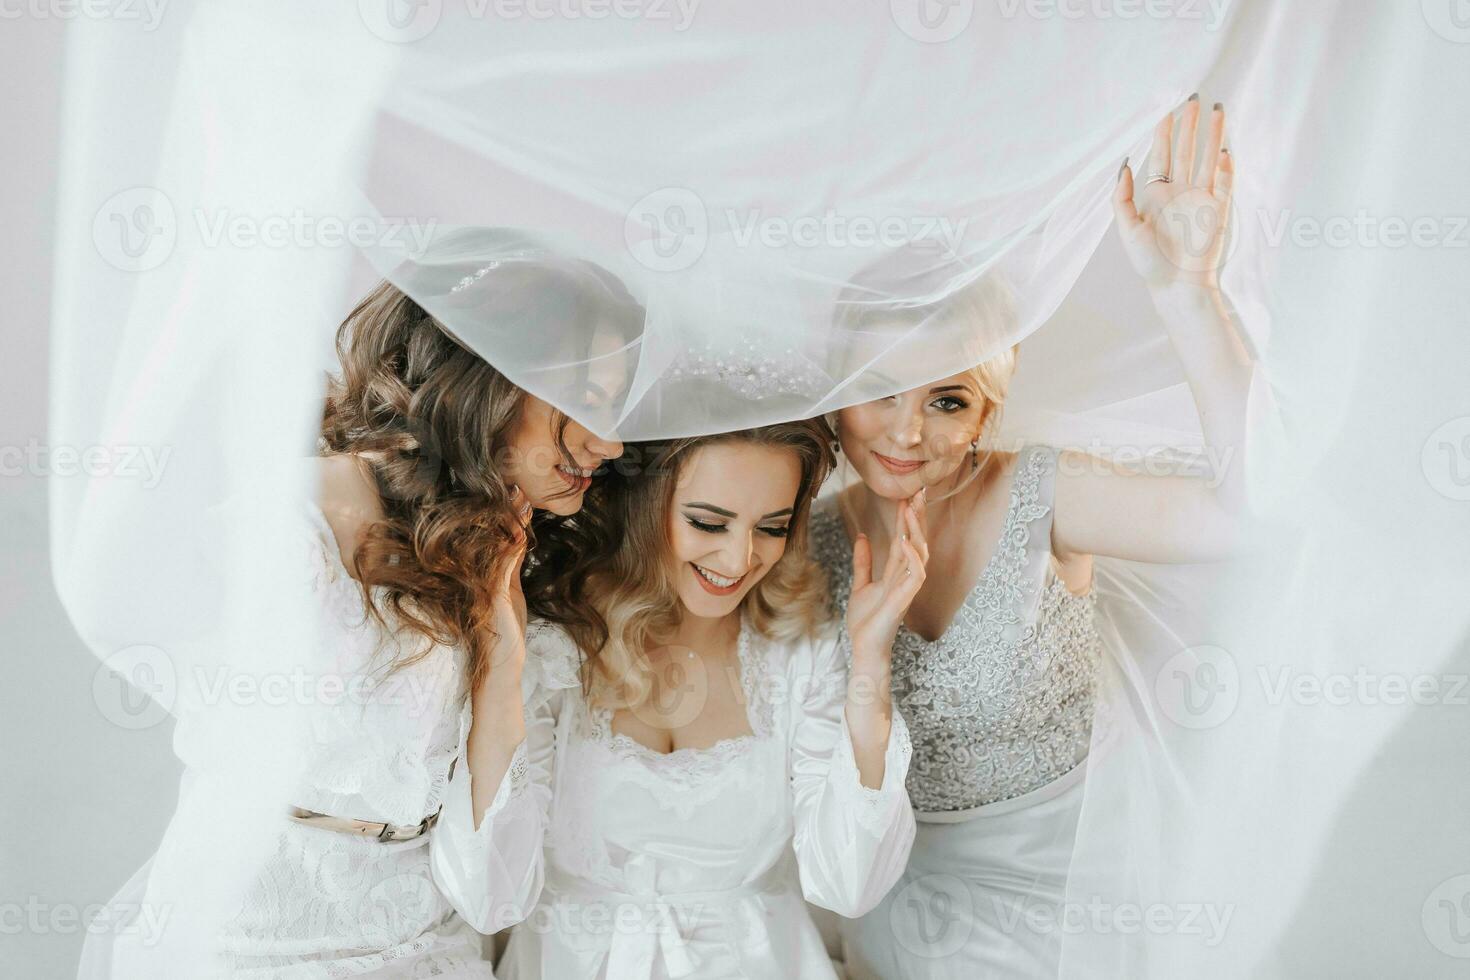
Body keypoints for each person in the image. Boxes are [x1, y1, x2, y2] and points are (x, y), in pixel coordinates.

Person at [811, 98, 1257, 979]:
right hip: (898, 911)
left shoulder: (1042, 493)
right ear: (835, 396)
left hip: (1080, 907)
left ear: (987, 412)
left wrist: (1187, 293)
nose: (907, 434)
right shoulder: (800, 543)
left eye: (947, 400)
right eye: (882, 391)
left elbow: (1248, 521)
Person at [500, 420, 921, 978]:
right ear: (645, 504)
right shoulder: (553, 640)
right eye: (707, 522)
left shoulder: (798, 652)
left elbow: (850, 885)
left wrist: (871, 661)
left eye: (771, 527)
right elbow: (488, 889)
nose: (738, 559)